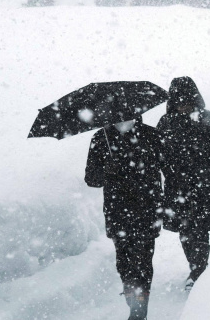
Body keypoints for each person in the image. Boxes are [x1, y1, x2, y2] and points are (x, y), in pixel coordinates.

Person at [156, 76, 210, 291]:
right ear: (173, 101)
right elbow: (157, 155)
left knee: (199, 227)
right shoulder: (166, 122)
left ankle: (199, 270)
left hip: (205, 182)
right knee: (187, 230)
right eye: (178, 100)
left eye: (187, 100)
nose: (183, 105)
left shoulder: (208, 118)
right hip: (178, 184)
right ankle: (197, 268)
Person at [85, 115, 168, 320]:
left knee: (142, 261)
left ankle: (139, 311)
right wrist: (106, 171)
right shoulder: (101, 138)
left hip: (147, 208)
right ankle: (133, 297)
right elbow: (91, 178)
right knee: (124, 262)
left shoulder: (151, 135)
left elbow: (168, 167)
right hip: (117, 210)